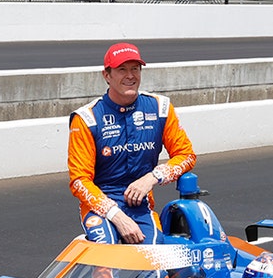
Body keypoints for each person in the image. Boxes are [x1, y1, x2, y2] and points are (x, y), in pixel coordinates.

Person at [67, 42, 197, 244]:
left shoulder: (160, 108)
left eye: (135, 69)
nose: (130, 76)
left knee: (154, 261)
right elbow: (79, 181)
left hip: (140, 204)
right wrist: (116, 216)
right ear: (107, 75)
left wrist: (152, 177)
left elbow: (186, 156)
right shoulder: (87, 118)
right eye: (122, 69)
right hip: (100, 206)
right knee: (106, 255)